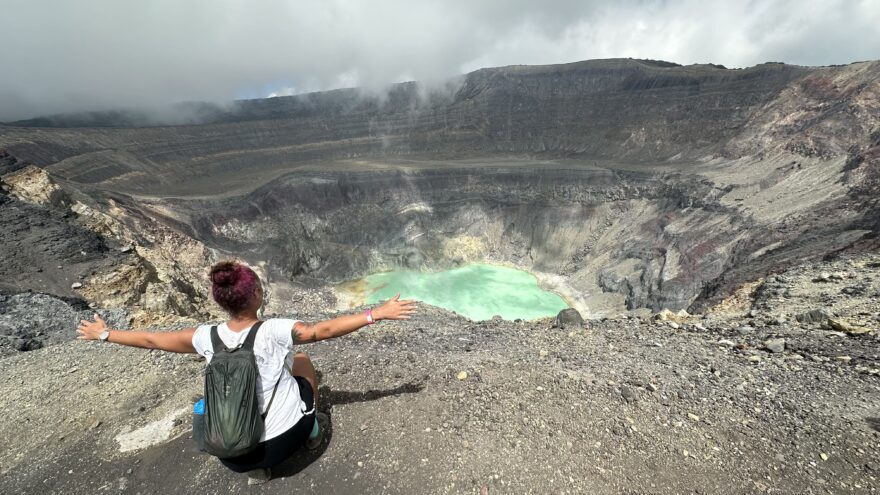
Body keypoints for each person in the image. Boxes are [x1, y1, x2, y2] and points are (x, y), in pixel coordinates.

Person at [76, 260, 416, 481]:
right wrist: (377, 313)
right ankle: (312, 430)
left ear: (221, 301)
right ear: (256, 294)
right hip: (284, 442)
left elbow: (151, 339)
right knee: (304, 365)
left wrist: (104, 333)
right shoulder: (276, 330)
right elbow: (319, 332)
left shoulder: (206, 337)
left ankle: (257, 472)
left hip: (232, 454)